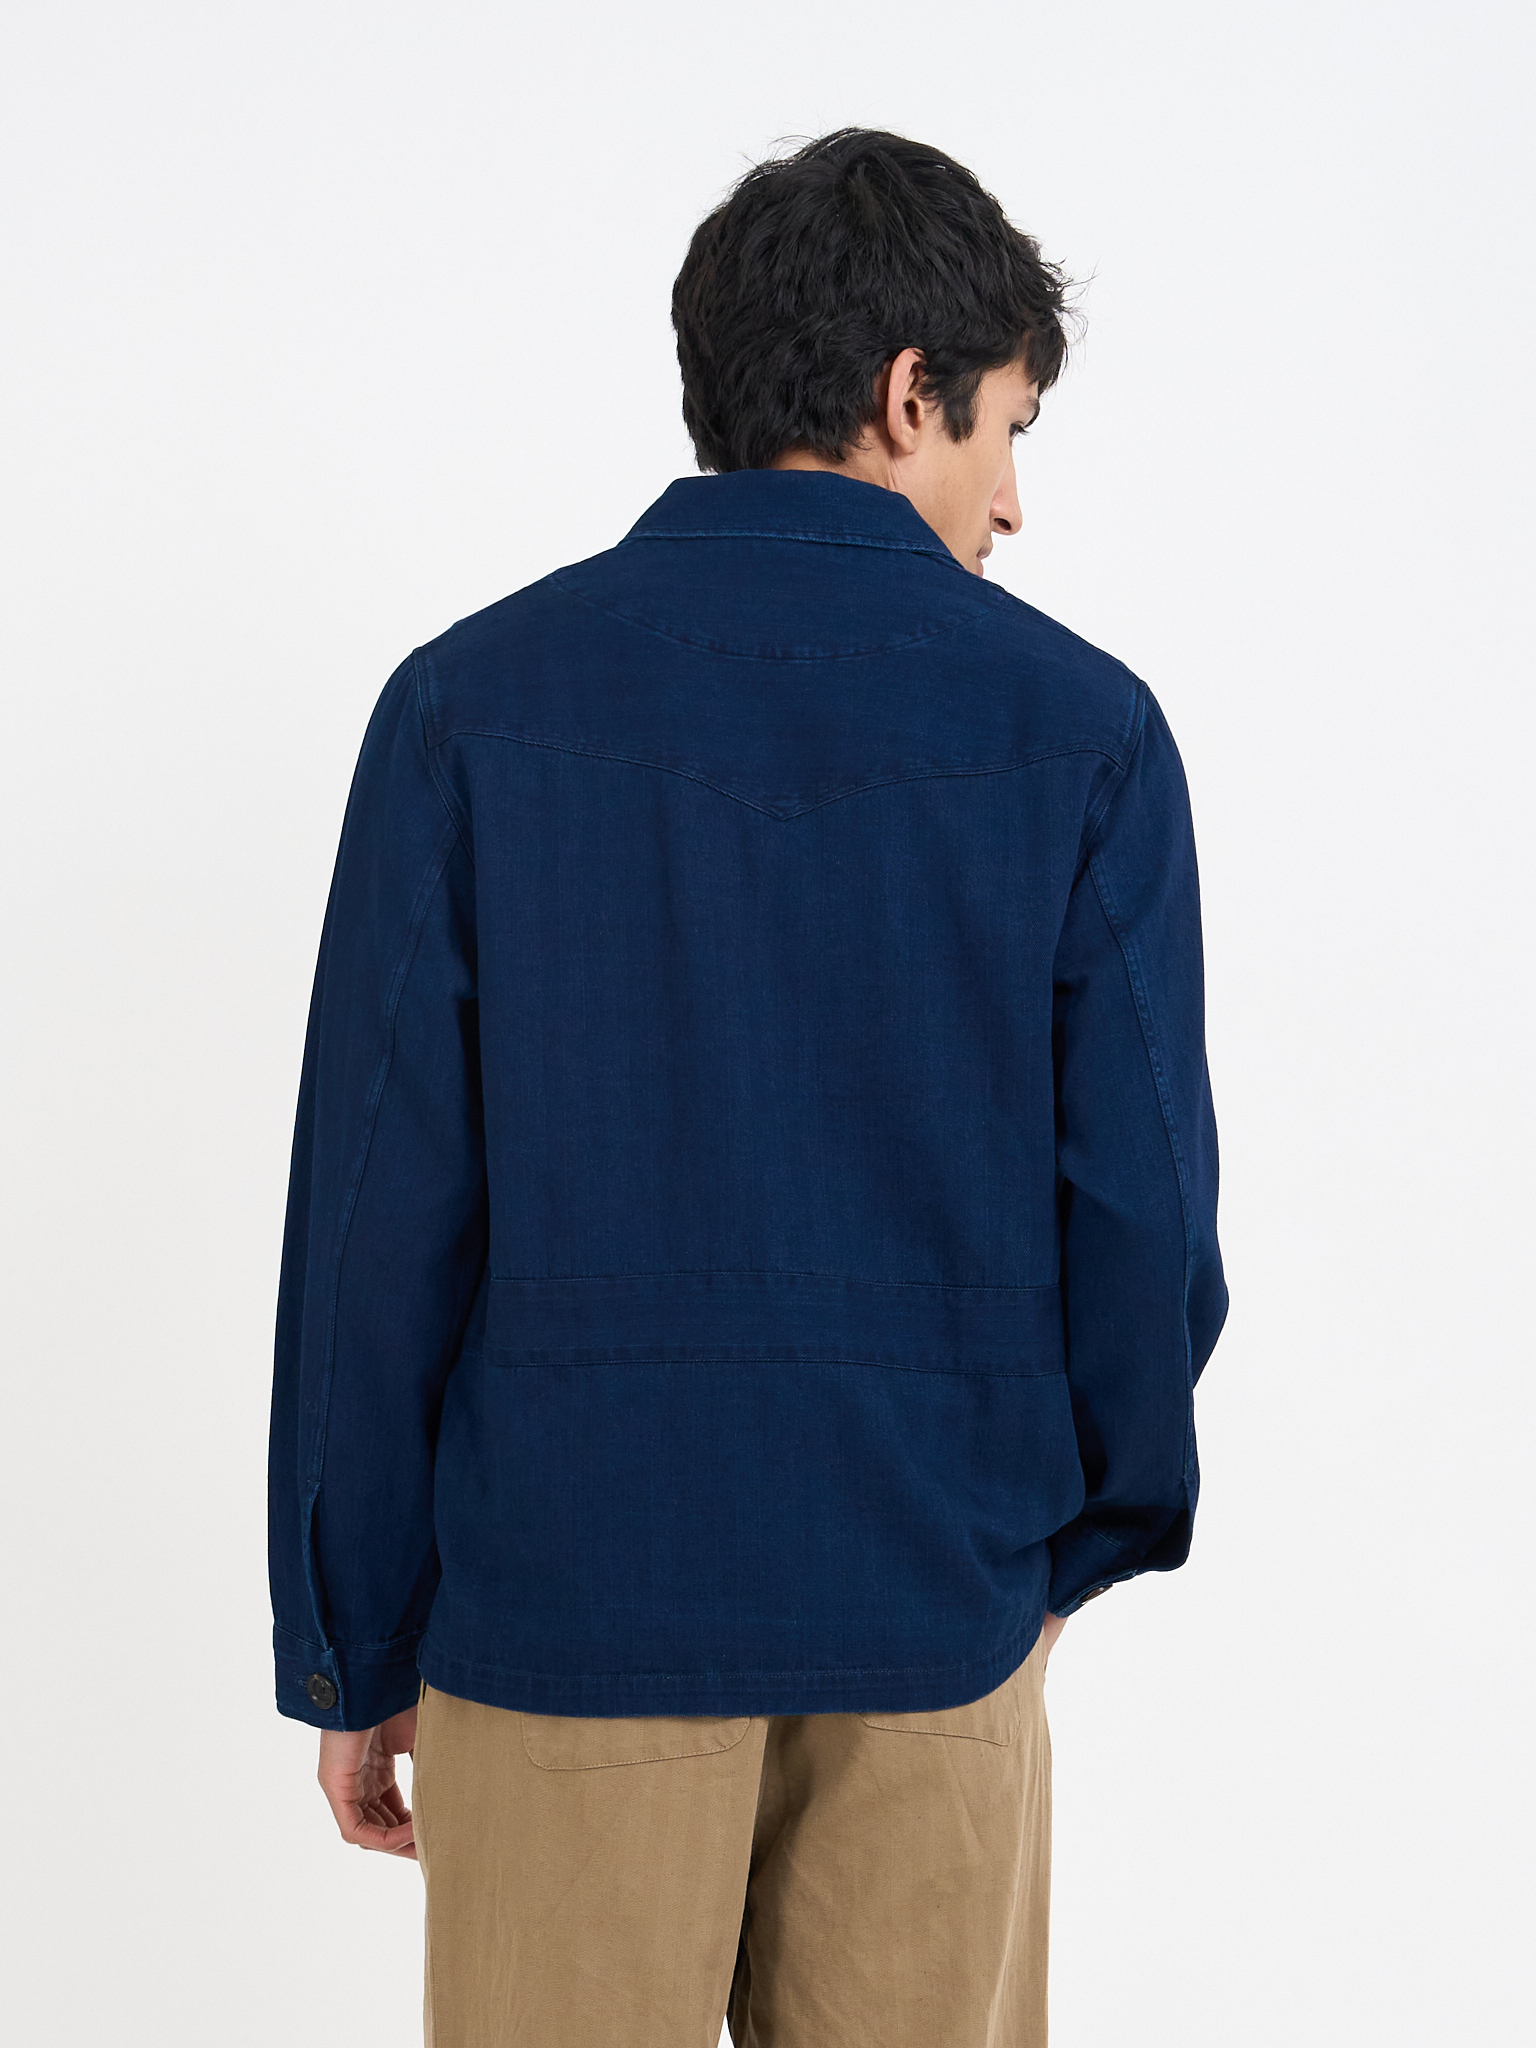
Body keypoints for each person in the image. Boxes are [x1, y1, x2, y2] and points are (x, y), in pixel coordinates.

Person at [269, 128, 1227, 2048]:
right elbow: (1144, 1213)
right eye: (1007, 430)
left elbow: (374, 1221)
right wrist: (1075, 1546)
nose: (1014, 501)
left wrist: (356, 1640)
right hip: (936, 1604)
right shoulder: (1084, 730)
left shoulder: (469, 705)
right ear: (908, 393)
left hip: (564, 1613)